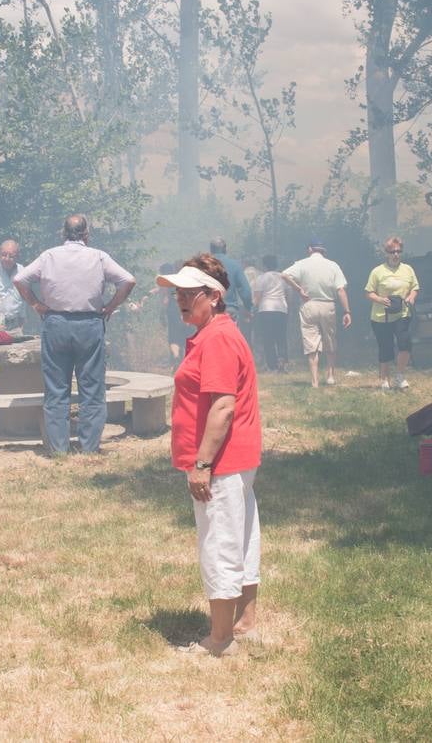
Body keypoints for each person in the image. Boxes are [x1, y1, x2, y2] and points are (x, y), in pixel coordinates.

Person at [158, 256, 261, 658]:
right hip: (238, 457)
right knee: (242, 534)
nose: (180, 300)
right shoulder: (217, 331)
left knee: (219, 541)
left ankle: (219, 640)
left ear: (214, 297)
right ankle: (243, 620)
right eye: (177, 294)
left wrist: (202, 464)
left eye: (189, 293)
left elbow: (222, 407)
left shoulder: (216, 338)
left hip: (221, 460)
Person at [14, 215, 135, 456]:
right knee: (91, 388)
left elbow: (19, 279)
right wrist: (110, 306)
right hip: (89, 323)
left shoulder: (49, 256)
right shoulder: (98, 256)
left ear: (63, 234)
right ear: (86, 234)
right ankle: (89, 448)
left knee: (56, 388)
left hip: (56, 323)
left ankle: (59, 450)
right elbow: (128, 280)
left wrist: (36, 304)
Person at [282, 239, 351, 388]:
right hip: (328, 304)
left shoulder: (301, 263)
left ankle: (314, 381)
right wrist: (347, 311)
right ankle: (331, 375)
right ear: (323, 250)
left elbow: (284, 275)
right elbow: (341, 289)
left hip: (309, 304)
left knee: (311, 342)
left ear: (310, 249)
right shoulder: (333, 265)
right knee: (330, 339)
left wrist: (299, 289)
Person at [364, 236, 419, 391]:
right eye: (392, 251)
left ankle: (400, 376)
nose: (396, 254)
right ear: (386, 253)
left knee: (405, 343)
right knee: (385, 348)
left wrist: (411, 297)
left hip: (402, 313)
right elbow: (368, 293)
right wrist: (381, 299)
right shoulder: (377, 271)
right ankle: (384, 379)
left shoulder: (408, 269)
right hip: (381, 317)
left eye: (398, 251)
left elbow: (415, 287)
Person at [251, 255, 291, 372]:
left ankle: (272, 365)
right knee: (281, 337)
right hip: (281, 310)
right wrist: (288, 309)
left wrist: (251, 308)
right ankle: (282, 362)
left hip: (266, 310)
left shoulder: (261, 278)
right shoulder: (283, 278)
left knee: (268, 338)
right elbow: (289, 296)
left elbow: (257, 299)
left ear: (264, 265)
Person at [209, 238, 254, 331]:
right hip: (229, 311)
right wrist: (248, 308)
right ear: (225, 249)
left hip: (209, 311)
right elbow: (245, 291)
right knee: (229, 341)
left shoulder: (203, 266)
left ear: (211, 250)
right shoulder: (235, 265)